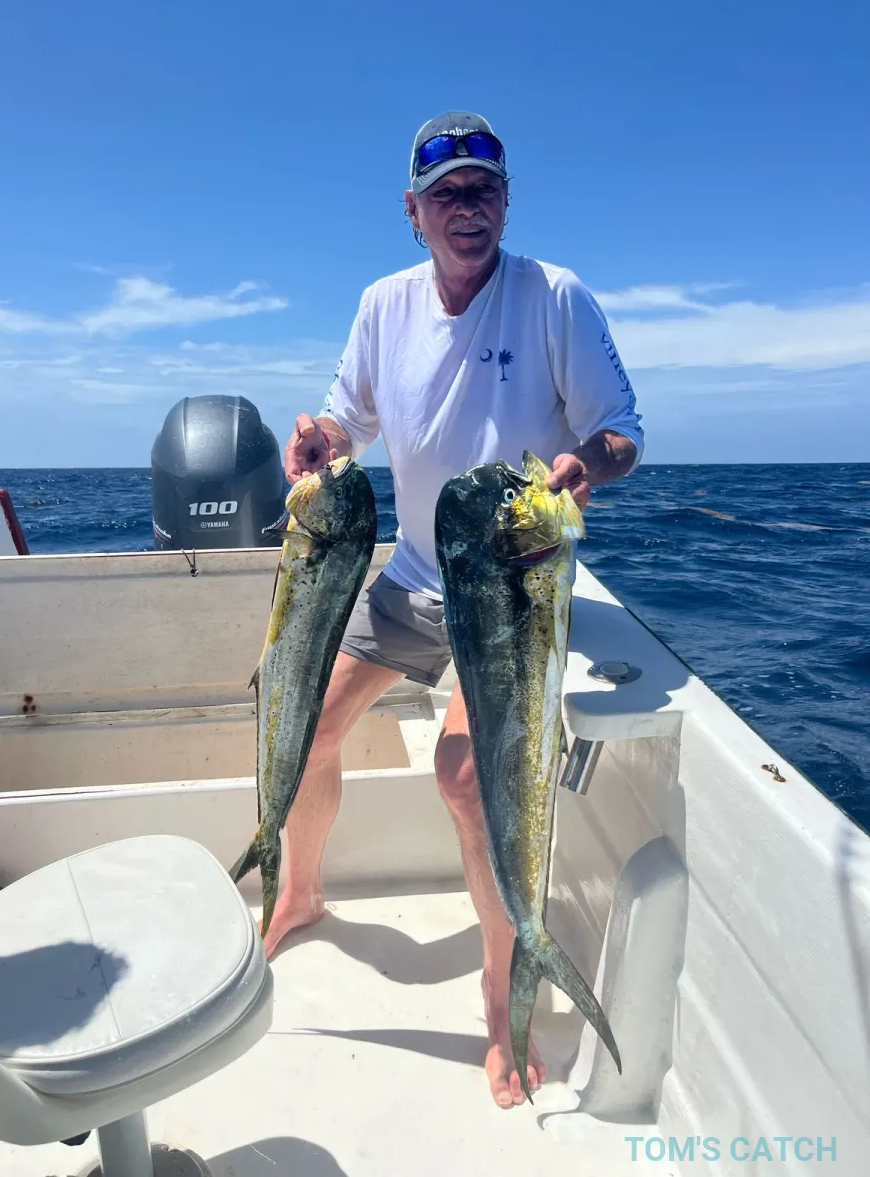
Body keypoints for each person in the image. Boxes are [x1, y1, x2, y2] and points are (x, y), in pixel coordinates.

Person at [275, 111, 644, 1108]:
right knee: (300, 725)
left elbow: (622, 431)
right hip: (409, 576)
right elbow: (346, 420)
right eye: (447, 194)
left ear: (506, 203)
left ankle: (500, 997)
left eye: (484, 189)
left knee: (468, 776)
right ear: (414, 212)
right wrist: (319, 441)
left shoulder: (554, 297)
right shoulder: (381, 305)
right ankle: (300, 892)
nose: (467, 206)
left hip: (513, 585)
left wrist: (586, 464)